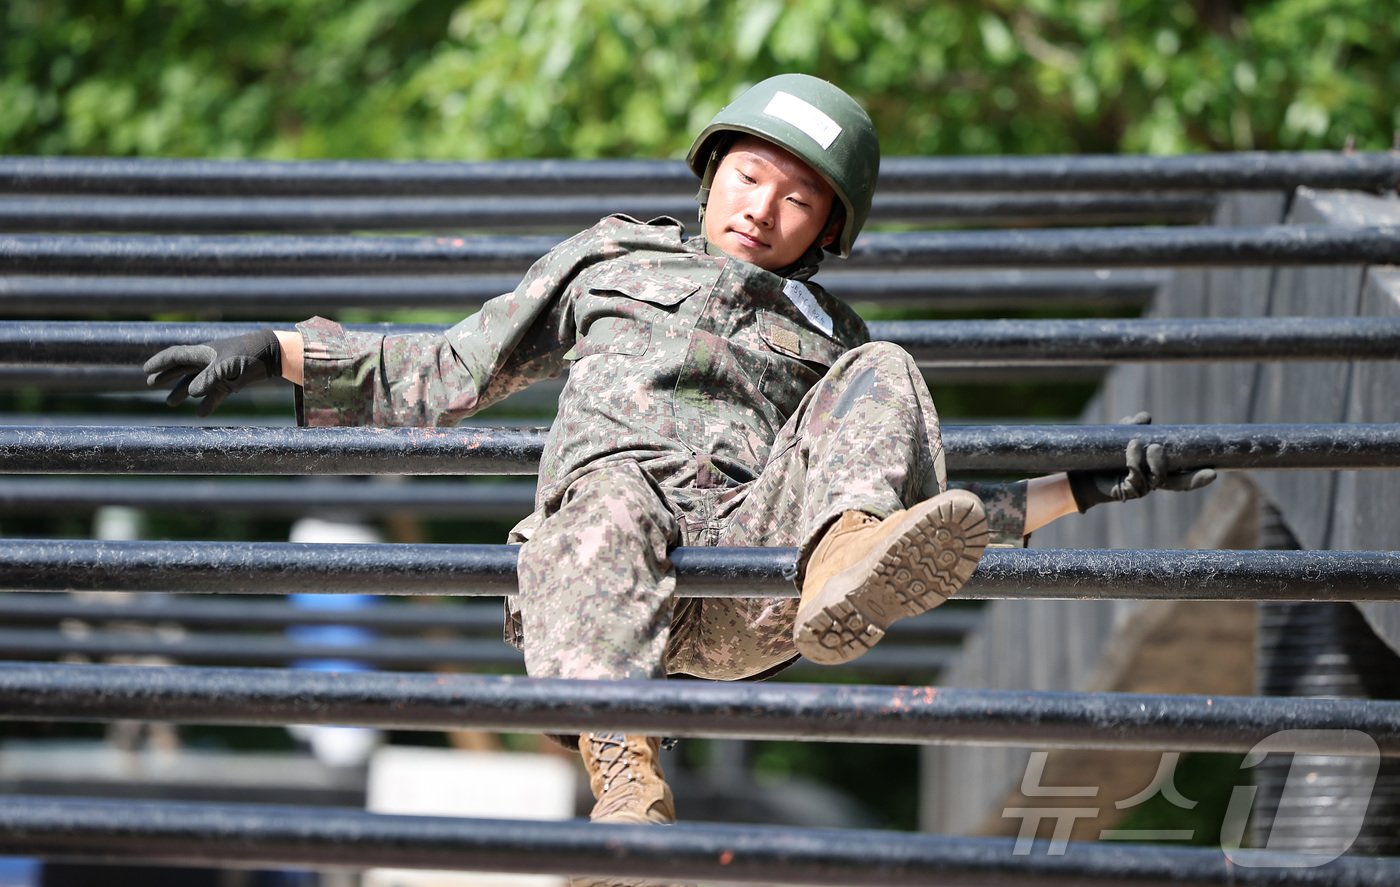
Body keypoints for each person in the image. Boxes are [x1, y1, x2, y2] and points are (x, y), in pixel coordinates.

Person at [144, 75, 1213, 887]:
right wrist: (275, 347)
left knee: (884, 376)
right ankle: (626, 782)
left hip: (758, 580)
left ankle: (835, 565)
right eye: (749, 174)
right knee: (608, 492)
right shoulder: (611, 260)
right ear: (711, 172)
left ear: (827, 231)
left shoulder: (833, 338)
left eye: (798, 197)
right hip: (604, 586)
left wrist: (1085, 482)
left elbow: (930, 514)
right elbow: (447, 369)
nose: (762, 206)